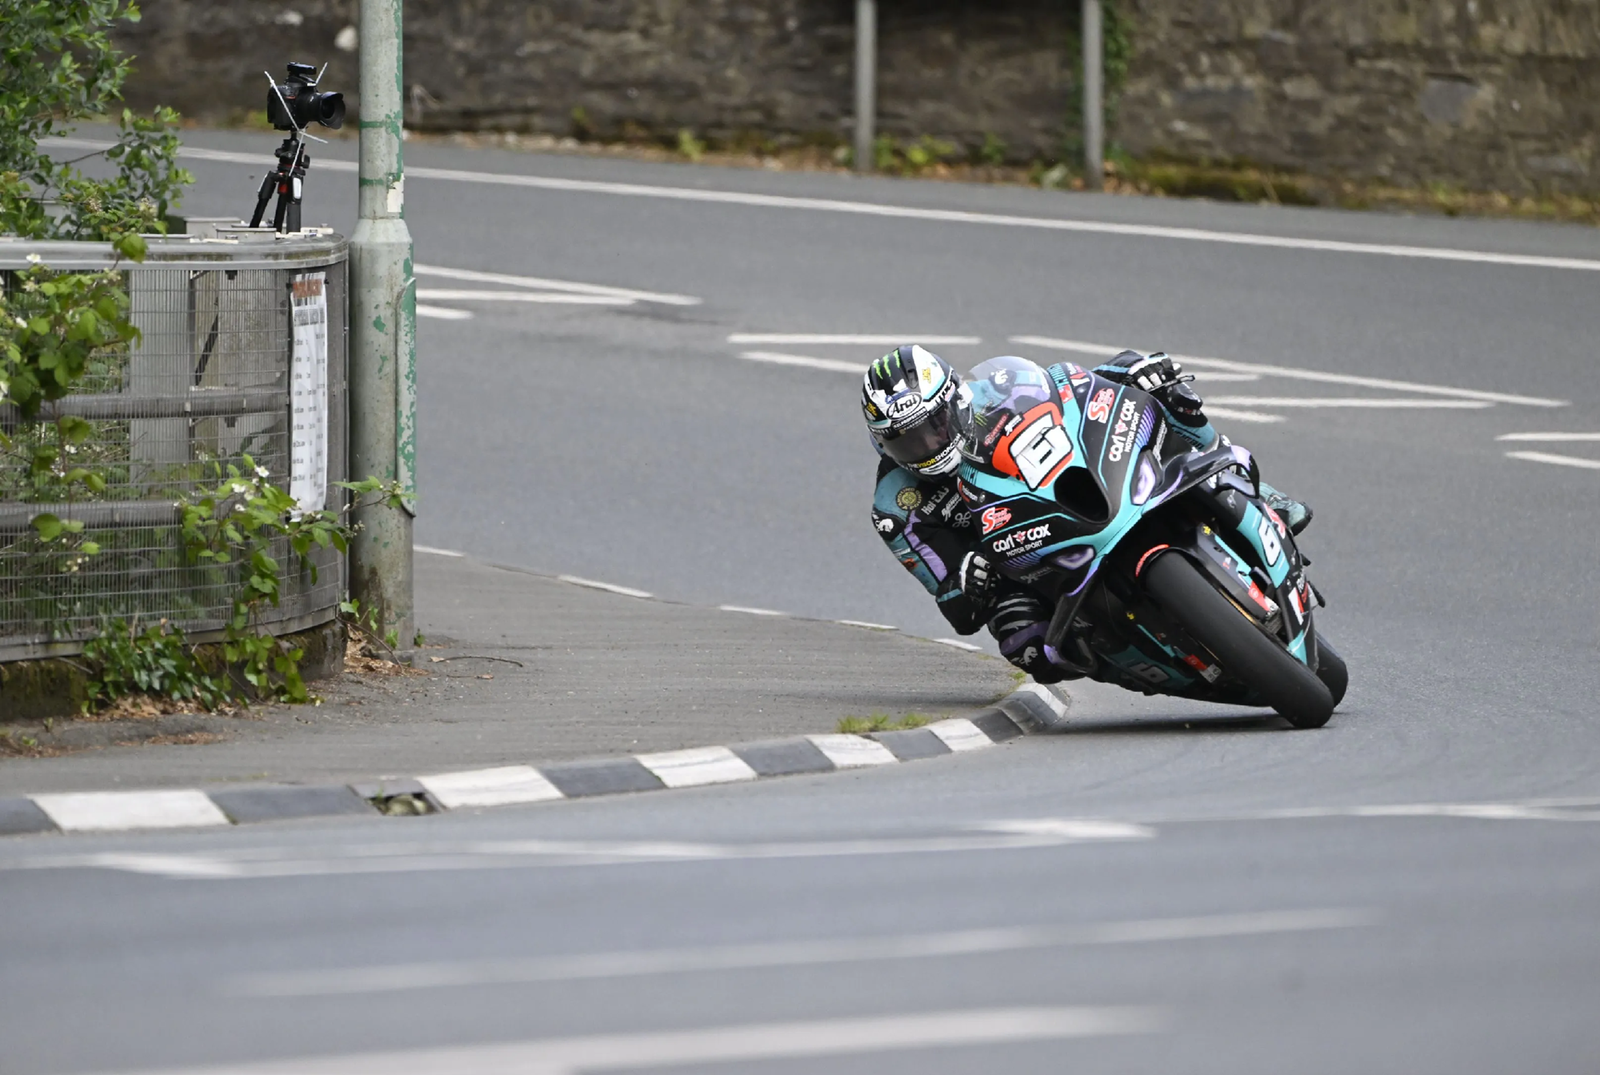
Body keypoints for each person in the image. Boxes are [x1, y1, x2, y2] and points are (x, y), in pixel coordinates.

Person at [864, 343, 1310, 684]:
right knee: (1026, 645)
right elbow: (955, 607)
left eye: (934, 426)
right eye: (907, 441)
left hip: (1081, 489)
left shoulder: (996, 387)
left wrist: (1132, 369)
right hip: (1023, 562)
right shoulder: (896, 507)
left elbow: (1071, 383)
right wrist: (967, 580)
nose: (928, 446)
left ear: (955, 400)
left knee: (1167, 396)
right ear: (882, 444)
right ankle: (1139, 667)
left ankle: (1261, 494)